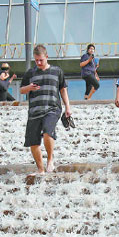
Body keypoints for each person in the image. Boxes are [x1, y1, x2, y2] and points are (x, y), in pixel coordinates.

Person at [20, 45, 72, 175]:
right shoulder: (30, 73)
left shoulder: (57, 71)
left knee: (48, 132)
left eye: (41, 60)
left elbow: (63, 90)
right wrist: (29, 88)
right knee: (33, 142)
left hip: (52, 108)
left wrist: (68, 107)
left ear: (46, 57)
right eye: (36, 60)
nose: (38, 63)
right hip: (34, 111)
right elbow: (21, 90)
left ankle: (50, 159)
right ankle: (40, 170)